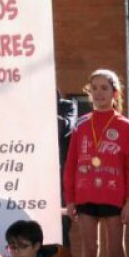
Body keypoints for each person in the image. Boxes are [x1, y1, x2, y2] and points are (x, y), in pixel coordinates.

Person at [63, 69, 129, 257]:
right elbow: (71, 163)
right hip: (85, 195)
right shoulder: (81, 124)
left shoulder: (125, 126)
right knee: (89, 251)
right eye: (94, 87)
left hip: (113, 195)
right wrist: (70, 198)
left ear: (115, 93)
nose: (99, 92)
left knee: (116, 251)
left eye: (105, 87)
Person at [57, 90, 78, 248]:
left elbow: (64, 127)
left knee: (61, 229)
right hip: (34, 176)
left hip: (60, 179)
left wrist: (39, 110)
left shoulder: (67, 105)